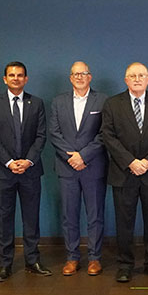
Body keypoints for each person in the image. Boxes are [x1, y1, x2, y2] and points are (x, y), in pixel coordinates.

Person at [101, 62, 148, 283]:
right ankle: (125, 265)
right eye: (132, 76)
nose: (137, 79)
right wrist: (130, 161)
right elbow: (108, 135)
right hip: (124, 174)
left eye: (141, 75)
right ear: (125, 80)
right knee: (124, 222)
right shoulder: (112, 104)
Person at [0, 61, 51, 282]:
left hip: (30, 171)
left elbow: (41, 136)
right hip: (3, 172)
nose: (16, 78)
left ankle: (32, 260)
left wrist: (28, 160)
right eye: (11, 75)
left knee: (31, 218)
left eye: (20, 75)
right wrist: (9, 162)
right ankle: (5, 263)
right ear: (5, 79)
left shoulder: (37, 103)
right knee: (4, 219)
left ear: (26, 79)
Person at [49, 61, 108, 276]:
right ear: (70, 77)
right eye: (75, 74)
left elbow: (104, 133)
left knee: (95, 215)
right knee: (69, 215)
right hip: (67, 168)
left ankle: (95, 257)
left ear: (90, 77)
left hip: (93, 166)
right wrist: (72, 157)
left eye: (83, 73)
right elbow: (54, 134)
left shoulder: (102, 100)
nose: (79, 77)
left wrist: (83, 155)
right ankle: (72, 257)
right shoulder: (58, 102)